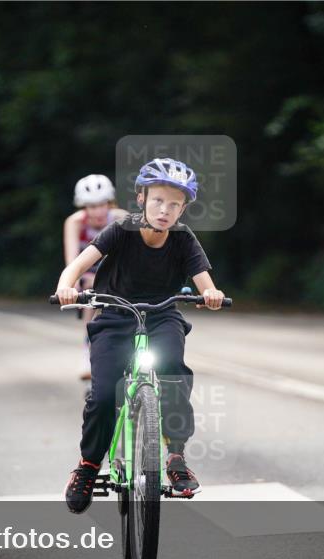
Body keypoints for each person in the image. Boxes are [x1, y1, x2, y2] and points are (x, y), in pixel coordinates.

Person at [54, 158, 226, 514]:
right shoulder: (121, 230)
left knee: (174, 374)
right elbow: (77, 266)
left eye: (175, 204)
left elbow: (205, 283)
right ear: (141, 199)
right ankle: (88, 466)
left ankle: (175, 458)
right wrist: (66, 288)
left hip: (162, 316)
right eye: (158, 200)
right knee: (102, 395)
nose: (165, 210)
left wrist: (211, 295)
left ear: (183, 208)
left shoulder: (183, 238)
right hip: (115, 317)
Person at [63, 175, 128, 380]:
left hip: (119, 272)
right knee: (91, 304)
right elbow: (72, 262)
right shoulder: (75, 222)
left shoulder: (121, 218)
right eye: (91, 206)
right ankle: (87, 354)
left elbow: (131, 256)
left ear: (110, 203)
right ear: (84, 207)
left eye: (102, 205)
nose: (98, 211)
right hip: (88, 275)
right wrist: (71, 287)